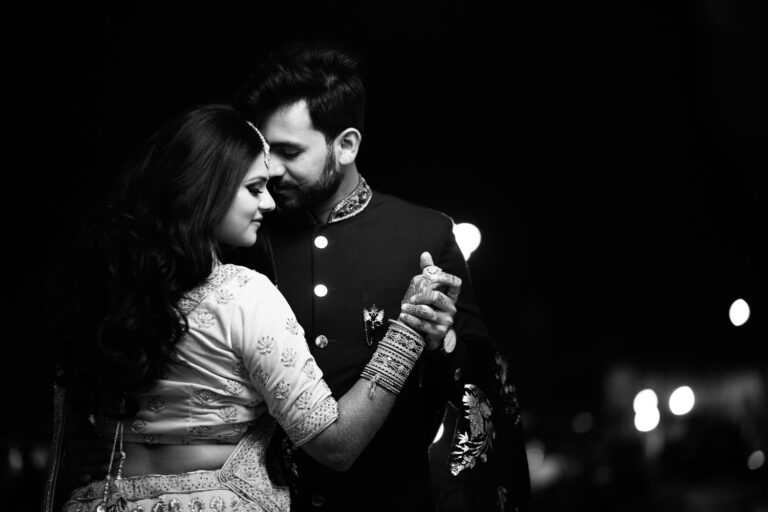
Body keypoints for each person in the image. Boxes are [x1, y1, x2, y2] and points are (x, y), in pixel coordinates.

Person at [44, 103, 462, 511]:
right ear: (207, 188)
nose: (269, 203)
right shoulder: (243, 294)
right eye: (254, 189)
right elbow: (336, 446)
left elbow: (74, 433)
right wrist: (408, 330)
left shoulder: (104, 292)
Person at [229, 41, 531, 512]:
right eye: (267, 151)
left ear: (346, 145)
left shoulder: (425, 234)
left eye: (290, 151)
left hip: (392, 494)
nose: (273, 170)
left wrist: (441, 341)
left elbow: (480, 378)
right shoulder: (247, 234)